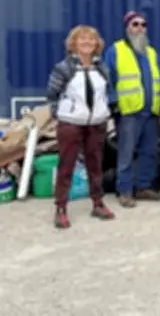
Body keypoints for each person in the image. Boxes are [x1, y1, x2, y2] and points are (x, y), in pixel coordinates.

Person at [46, 25, 115, 228]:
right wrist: (61, 114)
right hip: (71, 125)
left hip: (96, 124)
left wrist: (104, 113)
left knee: (96, 166)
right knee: (66, 166)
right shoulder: (64, 68)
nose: (87, 43)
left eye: (91, 40)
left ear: (97, 45)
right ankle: (60, 208)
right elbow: (52, 94)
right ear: (73, 44)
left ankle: (98, 203)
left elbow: (106, 92)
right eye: (82, 40)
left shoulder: (102, 68)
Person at [104, 11, 160, 207]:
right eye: (135, 24)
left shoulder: (152, 52)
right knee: (126, 154)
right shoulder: (116, 50)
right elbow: (107, 78)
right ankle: (125, 191)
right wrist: (113, 103)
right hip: (129, 112)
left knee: (149, 152)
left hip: (151, 112)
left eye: (143, 25)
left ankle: (143, 186)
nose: (140, 28)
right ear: (127, 27)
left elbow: (158, 80)